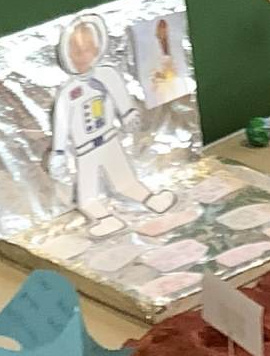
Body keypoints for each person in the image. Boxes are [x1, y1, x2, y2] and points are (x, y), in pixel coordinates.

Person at [48, 13, 175, 234]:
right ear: (67, 54)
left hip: (109, 139)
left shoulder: (107, 75)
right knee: (87, 195)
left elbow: (119, 95)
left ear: (97, 47)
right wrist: (58, 152)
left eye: (88, 49)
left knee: (125, 179)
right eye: (76, 51)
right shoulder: (68, 93)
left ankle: (151, 200)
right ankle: (104, 219)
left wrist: (128, 114)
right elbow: (61, 123)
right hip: (85, 149)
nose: (83, 56)